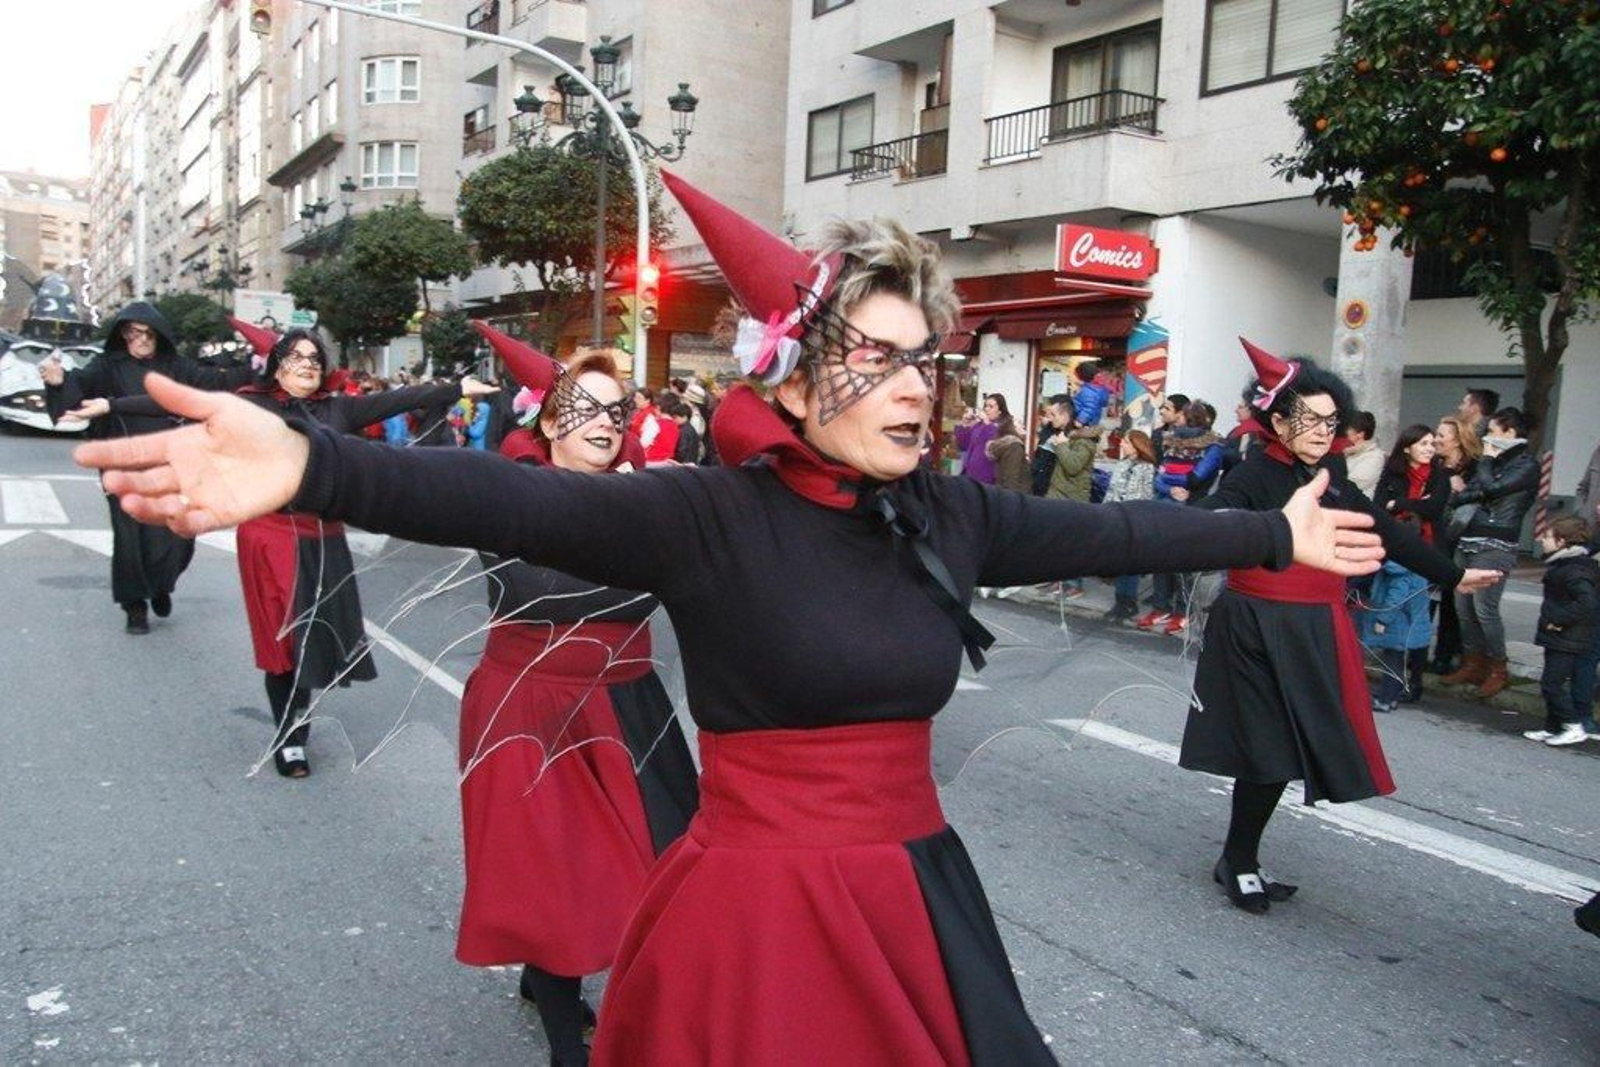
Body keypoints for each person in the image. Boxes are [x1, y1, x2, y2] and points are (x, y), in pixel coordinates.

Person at [78, 170, 1388, 1064]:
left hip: (920, 898)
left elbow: (1118, 530)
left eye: (921, 358)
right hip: (755, 913)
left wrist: (1274, 528)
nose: (911, 386)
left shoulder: (953, 515)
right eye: (871, 360)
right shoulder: (707, 513)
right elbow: (499, 494)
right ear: (802, 378)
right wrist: (314, 464)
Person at [1178, 340, 1500, 915]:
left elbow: (1377, 524)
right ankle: (1240, 860)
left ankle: (1238, 855)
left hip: (1315, 625)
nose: (1327, 431)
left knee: (1290, 748)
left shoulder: (1328, 470)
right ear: (1277, 421)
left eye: (1333, 420)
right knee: (1270, 748)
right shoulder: (1255, 473)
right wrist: (1159, 530)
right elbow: (1207, 516)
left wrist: (1451, 575)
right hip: (1255, 624)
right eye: (1312, 420)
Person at [94, 329, 497, 777]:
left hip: (323, 537)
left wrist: (459, 387)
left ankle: (295, 724)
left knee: (312, 642)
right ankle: (289, 737)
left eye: (315, 359)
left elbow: (402, 398)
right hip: (267, 535)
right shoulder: (249, 403)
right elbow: (178, 402)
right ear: (277, 363)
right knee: (285, 643)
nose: (307, 365)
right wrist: (113, 405)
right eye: (296, 357)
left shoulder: (339, 408)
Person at [459, 349, 698, 1064]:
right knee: (551, 878)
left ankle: (562, 977)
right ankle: (569, 1036)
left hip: (629, 701)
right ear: (548, 420)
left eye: (616, 408)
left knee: (669, 862)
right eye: (585, 406)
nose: (604, 420)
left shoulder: (649, 501)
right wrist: (669, 562)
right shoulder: (508, 494)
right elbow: (545, 590)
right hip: (530, 705)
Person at [45, 301, 256, 633]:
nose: (140, 340)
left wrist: (259, 365)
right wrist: (58, 382)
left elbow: (215, 383)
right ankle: (135, 607)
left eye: (147, 334)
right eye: (132, 334)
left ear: (159, 336)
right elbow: (78, 386)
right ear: (123, 335)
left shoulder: (176, 367)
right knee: (129, 539)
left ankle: (161, 585)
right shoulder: (107, 366)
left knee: (179, 537)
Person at [1440, 407, 1539, 698]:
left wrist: (1486, 461)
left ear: (1510, 433)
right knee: (1463, 608)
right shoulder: (1495, 462)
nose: (1487, 437)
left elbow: (1493, 489)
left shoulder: (1525, 464)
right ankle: (1473, 663)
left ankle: (1498, 668)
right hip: (1468, 536)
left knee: (1485, 609)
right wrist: (1482, 485)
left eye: (1493, 431)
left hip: (1496, 543)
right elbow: (1466, 494)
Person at [1141, 399, 1225, 636]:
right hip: (1169, 504)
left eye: (1181, 418)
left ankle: (1183, 610)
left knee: (1184, 564)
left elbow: (1198, 477)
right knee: (1160, 559)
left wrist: (1174, 482)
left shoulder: (1214, 445)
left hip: (1194, 507)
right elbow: (1159, 476)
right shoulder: (1172, 441)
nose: (1177, 421)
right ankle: (1160, 606)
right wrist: (1172, 488)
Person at [1523, 515, 1597, 747]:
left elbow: (1587, 603)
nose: (1541, 541)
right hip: (1560, 636)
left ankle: (1573, 725)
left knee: (1551, 684)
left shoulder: (1573, 569)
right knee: (1552, 681)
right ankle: (1553, 727)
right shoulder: (1565, 565)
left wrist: (1558, 620)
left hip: (1567, 636)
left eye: (1547, 537)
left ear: (1562, 541)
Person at [1360, 514, 1435, 713]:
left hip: (1397, 622)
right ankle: (1391, 697)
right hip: (1408, 621)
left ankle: (1385, 699)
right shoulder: (1417, 561)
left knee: (1391, 663)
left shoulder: (1398, 569)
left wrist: (1382, 619)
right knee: (1396, 662)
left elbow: (1396, 598)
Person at [1428, 415, 1483, 674]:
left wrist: (1459, 491)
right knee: (1425, 598)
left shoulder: (1473, 470)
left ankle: (1446, 654)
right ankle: (1416, 652)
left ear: (1458, 440)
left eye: (1441, 436)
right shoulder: (1432, 466)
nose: (1435, 440)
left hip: (1457, 541)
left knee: (1452, 602)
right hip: (1432, 538)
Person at [1102, 429, 1158, 622]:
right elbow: (1111, 490)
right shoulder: (1121, 464)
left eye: (1125, 442)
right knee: (1120, 561)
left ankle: (1129, 602)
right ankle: (1119, 601)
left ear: (1136, 445)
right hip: (1117, 518)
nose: (1121, 445)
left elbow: (1146, 496)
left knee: (1131, 563)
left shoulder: (1147, 468)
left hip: (1135, 520)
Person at [1045, 395, 1097, 597]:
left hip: (1072, 498)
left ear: (1066, 415)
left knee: (1073, 546)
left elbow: (1073, 466)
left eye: (1055, 414)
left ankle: (1074, 585)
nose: (1052, 419)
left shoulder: (1084, 440)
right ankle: (1058, 581)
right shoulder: (1064, 435)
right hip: (1058, 494)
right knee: (1057, 544)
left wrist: (1061, 445)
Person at [1373, 425, 1451, 546]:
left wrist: (1396, 504)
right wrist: (1419, 503)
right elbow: (1379, 504)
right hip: (1394, 539)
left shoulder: (1440, 475)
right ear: (1407, 448)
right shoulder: (1392, 472)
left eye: (1432, 445)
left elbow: (1432, 508)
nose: (1430, 449)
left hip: (1430, 543)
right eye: (1423, 444)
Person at [954, 392, 1009, 485]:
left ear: (1000, 411)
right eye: (985, 406)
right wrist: (964, 424)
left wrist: (987, 422)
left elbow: (995, 442)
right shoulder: (979, 425)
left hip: (985, 477)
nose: (986, 409)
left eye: (991, 407)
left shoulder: (1003, 427)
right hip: (968, 474)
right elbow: (963, 445)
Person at [984, 412, 1032, 494]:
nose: (1023, 426)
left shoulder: (1007, 445)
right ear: (1013, 428)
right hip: (1017, 497)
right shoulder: (1015, 446)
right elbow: (1011, 479)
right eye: (1020, 423)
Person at [1343, 411, 1384, 498]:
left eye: (1347, 428)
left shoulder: (1374, 456)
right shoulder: (1346, 451)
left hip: (1353, 507)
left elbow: (1354, 484)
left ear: (1360, 434)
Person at [659, 392, 702, 464]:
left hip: (683, 464)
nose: (674, 420)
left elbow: (682, 452)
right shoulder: (690, 429)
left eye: (675, 417)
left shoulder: (683, 431)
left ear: (684, 417)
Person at [1072, 360, 1110, 429]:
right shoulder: (1099, 388)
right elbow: (1103, 403)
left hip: (1084, 422)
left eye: (1076, 375)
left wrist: (1080, 421)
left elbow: (1089, 408)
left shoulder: (1088, 391)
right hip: (1093, 420)